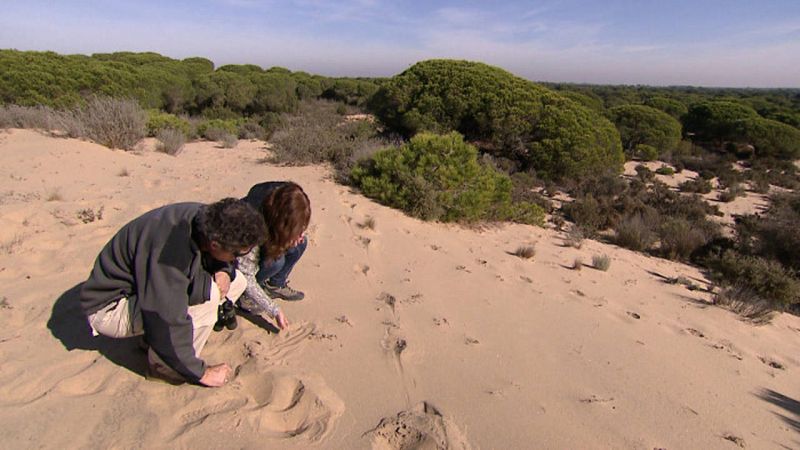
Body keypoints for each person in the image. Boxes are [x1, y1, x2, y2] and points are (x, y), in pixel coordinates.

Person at [79, 198, 266, 387]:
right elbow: (165, 317)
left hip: (144, 288)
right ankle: (163, 368)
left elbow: (213, 260)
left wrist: (224, 269)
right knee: (208, 296)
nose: (238, 259)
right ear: (215, 245)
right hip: (110, 308)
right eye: (237, 255)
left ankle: (155, 341)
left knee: (237, 280)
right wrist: (199, 372)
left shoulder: (205, 218)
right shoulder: (169, 254)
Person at [232, 181, 311, 329]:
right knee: (276, 262)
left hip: (271, 231)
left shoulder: (286, 197)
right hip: (251, 244)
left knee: (301, 244)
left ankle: (275, 285)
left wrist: (297, 235)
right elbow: (246, 275)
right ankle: (244, 297)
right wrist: (274, 310)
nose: (300, 234)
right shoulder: (250, 226)